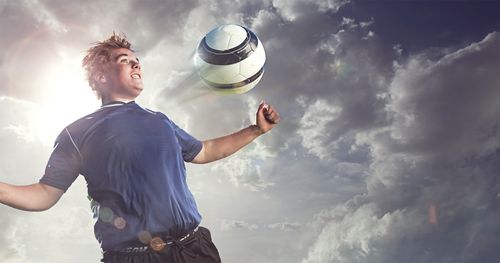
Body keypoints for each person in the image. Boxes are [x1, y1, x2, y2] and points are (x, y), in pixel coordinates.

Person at [0, 33, 280, 263]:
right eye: (125, 61)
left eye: (137, 61)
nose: (137, 65)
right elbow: (45, 194)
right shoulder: (76, 133)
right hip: (132, 258)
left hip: (194, 249)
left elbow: (204, 151)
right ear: (100, 77)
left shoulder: (160, 121)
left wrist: (256, 130)